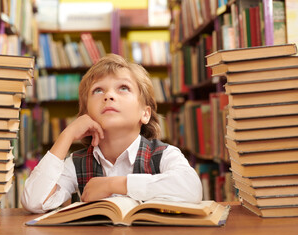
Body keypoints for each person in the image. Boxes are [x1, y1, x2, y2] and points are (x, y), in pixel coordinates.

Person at [21, 54, 202, 213]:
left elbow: (192, 189)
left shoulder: (163, 155)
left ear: (145, 114)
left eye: (123, 88)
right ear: (86, 116)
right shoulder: (76, 164)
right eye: (98, 90)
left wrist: (114, 184)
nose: (108, 96)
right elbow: (33, 202)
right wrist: (66, 135)